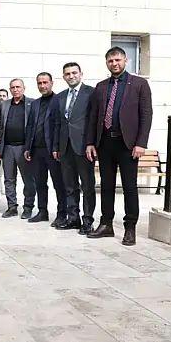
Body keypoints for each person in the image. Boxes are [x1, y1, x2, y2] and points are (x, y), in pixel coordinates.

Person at [86, 46, 153, 246]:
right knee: (106, 186)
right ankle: (106, 224)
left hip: (128, 145)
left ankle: (130, 228)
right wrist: (90, 142)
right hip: (105, 143)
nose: (114, 64)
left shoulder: (139, 84)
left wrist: (141, 143)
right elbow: (93, 116)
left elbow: (146, 114)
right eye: (110, 61)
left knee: (129, 187)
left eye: (117, 60)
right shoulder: (101, 86)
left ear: (126, 61)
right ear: (106, 63)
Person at [52, 62, 96, 234]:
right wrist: (56, 146)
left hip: (84, 146)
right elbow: (58, 123)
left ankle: (88, 221)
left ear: (81, 74)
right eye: (68, 74)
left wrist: (92, 143)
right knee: (69, 185)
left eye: (74, 73)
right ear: (64, 77)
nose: (71, 76)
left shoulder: (91, 93)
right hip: (65, 147)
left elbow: (94, 120)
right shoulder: (60, 96)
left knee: (87, 185)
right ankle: (73, 219)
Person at [24, 72, 66, 225]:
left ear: (51, 83)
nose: (42, 86)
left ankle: (62, 214)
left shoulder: (59, 101)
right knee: (40, 183)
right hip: (36, 150)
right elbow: (30, 126)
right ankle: (42, 212)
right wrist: (27, 147)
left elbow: (61, 126)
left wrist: (57, 147)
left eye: (45, 82)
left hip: (53, 150)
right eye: (39, 83)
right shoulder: (35, 104)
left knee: (58, 184)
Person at [0, 79, 35, 218]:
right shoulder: (5, 105)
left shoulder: (32, 103)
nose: (15, 89)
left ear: (24, 88)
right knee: (9, 179)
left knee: (28, 180)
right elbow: (0, 128)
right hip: (7, 147)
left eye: (18, 87)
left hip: (24, 148)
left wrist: (30, 148)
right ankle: (12, 207)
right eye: (12, 87)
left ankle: (28, 207)